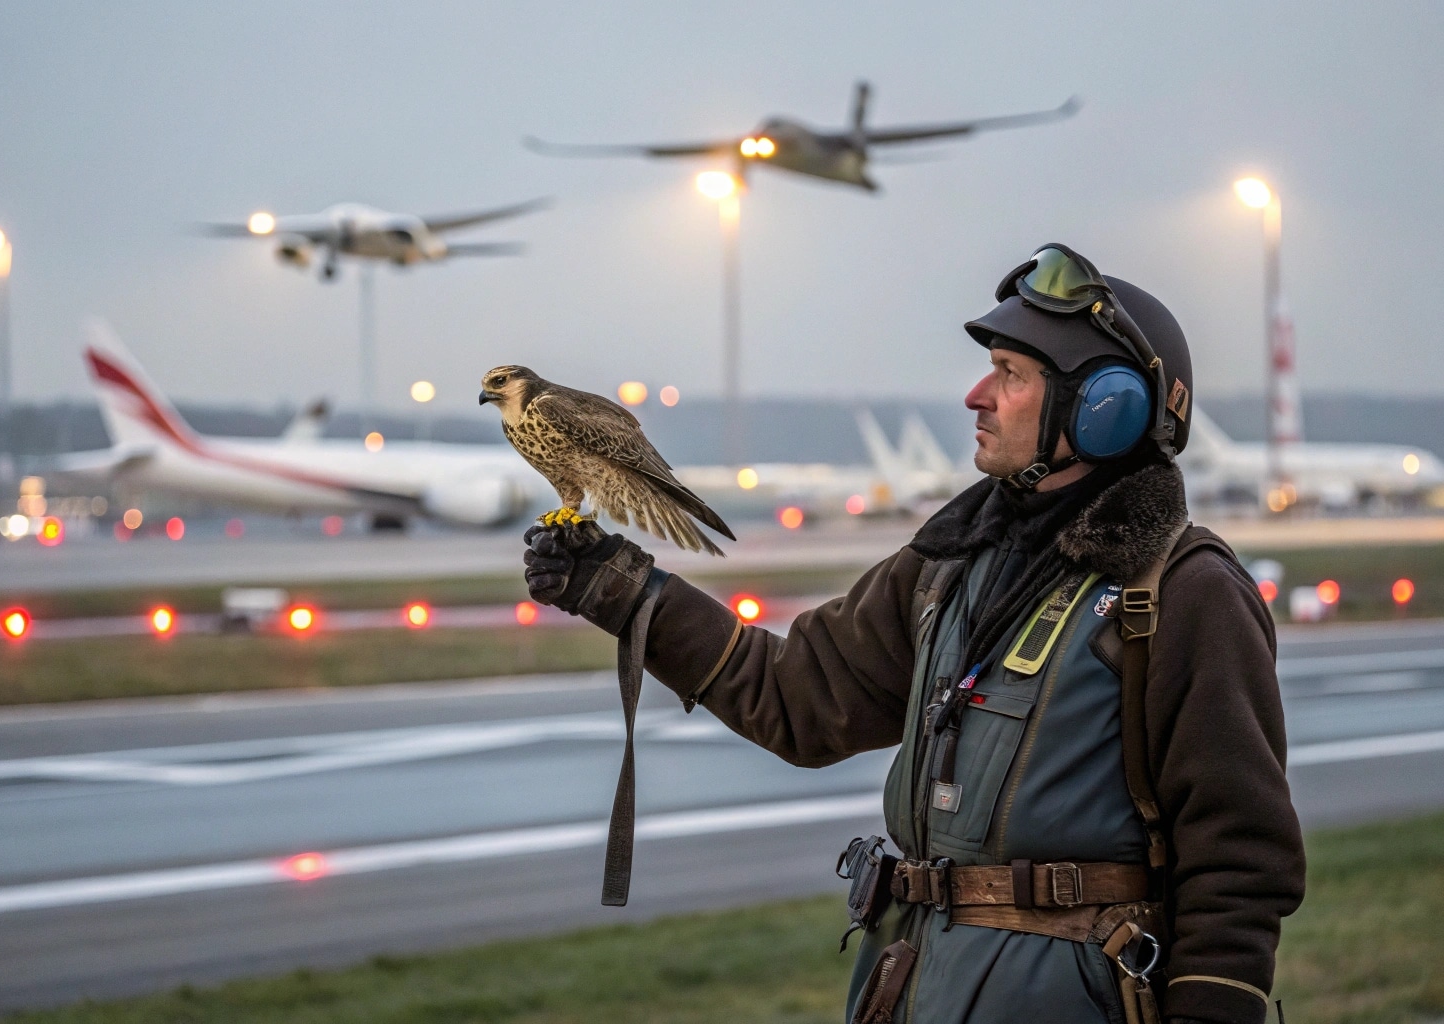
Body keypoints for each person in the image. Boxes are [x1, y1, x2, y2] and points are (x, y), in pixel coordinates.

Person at [522, 244, 1305, 1024]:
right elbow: (798, 698)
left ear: (1105, 410)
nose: (976, 396)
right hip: (917, 991)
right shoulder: (949, 568)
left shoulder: (1185, 593)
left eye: (1009, 374)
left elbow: (1239, 865)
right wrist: (627, 593)